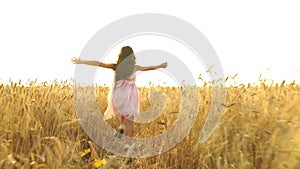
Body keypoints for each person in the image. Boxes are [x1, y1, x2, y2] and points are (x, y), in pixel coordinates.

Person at [71, 46, 167, 150]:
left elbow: (99, 63)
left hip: (119, 94)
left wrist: (82, 61)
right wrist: (160, 65)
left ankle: (121, 127)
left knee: (123, 110)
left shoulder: (116, 66)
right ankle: (127, 145)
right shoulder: (135, 67)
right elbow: (149, 68)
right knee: (130, 120)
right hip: (130, 94)